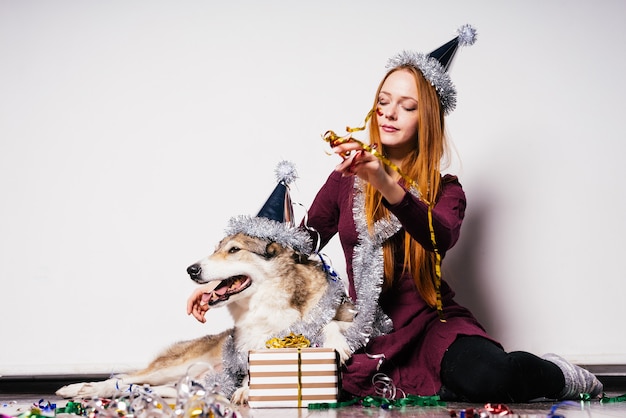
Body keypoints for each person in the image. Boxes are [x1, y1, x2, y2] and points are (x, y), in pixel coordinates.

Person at [188, 25, 604, 403]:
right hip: (368, 331)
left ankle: (561, 375)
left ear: (429, 119)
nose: (388, 112)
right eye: (383, 102)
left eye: (406, 106)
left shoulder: (447, 190)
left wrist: (384, 181)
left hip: (433, 327)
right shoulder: (345, 182)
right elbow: (298, 247)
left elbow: (439, 235)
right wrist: (228, 283)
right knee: (304, 381)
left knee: (489, 376)